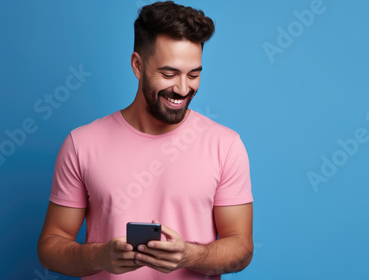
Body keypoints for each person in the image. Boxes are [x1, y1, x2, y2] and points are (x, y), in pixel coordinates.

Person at [37, 1, 254, 279]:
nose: (183, 88)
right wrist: (99, 256)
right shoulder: (81, 144)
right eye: (169, 73)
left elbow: (242, 247)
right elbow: (50, 247)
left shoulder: (226, 145)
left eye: (194, 74)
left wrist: (190, 255)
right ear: (137, 65)